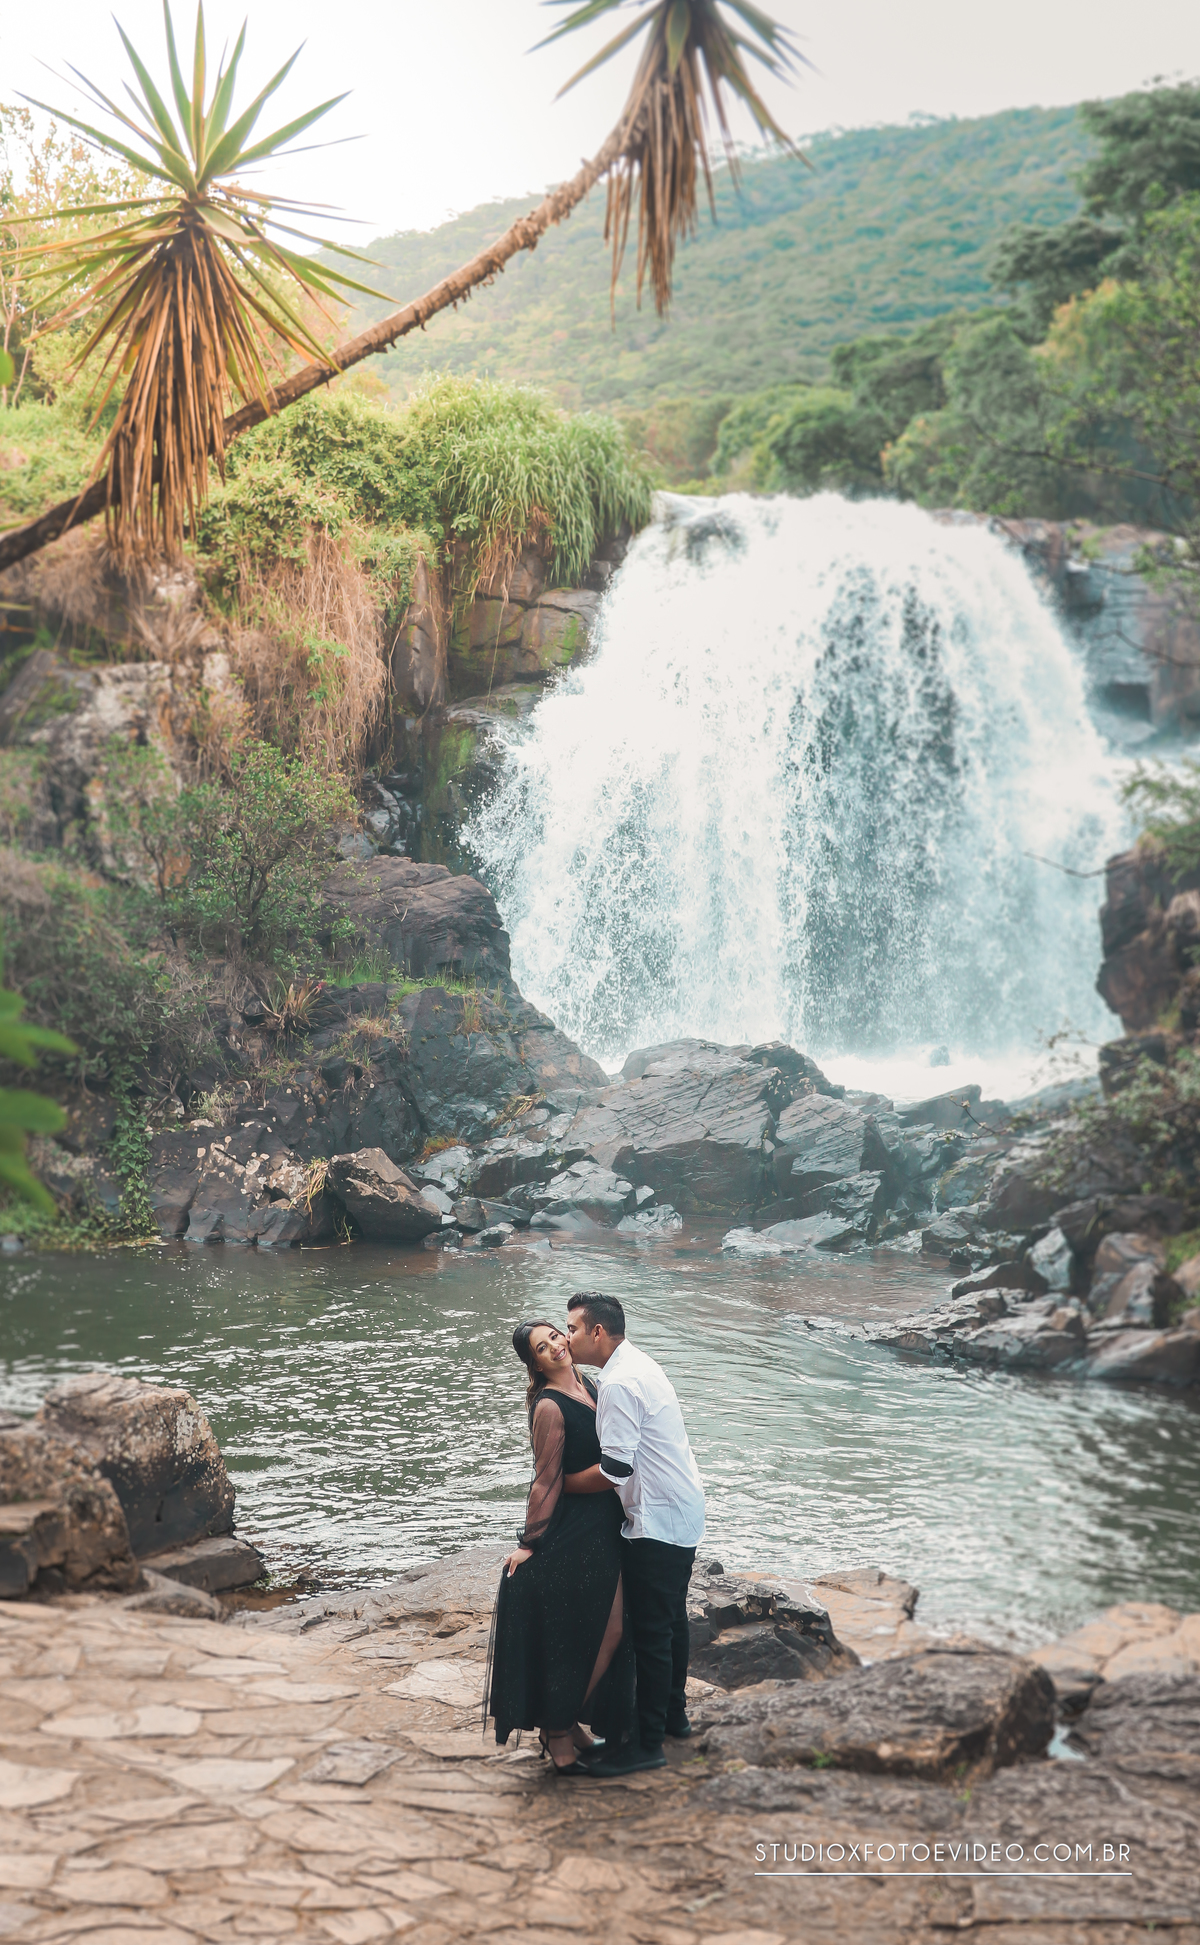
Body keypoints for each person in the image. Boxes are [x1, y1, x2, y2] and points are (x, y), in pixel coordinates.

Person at [484, 1319, 636, 1775]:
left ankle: (566, 1722)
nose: (554, 1345)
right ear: (534, 1363)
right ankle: (556, 1728)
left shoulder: (590, 1384)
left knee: (602, 1631)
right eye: (541, 1347)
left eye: (555, 1335)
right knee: (598, 1631)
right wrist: (529, 1542)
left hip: (605, 1523)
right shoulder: (549, 1406)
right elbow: (545, 1479)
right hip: (577, 1531)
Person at [565, 1291, 707, 1778]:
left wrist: (559, 1483)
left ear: (597, 1331)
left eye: (572, 1329)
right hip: (679, 1508)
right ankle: (672, 1719)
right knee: (670, 1622)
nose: (566, 1338)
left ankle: (647, 1745)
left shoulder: (620, 1383)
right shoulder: (637, 1363)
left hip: (657, 1518)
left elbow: (615, 1470)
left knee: (651, 1633)